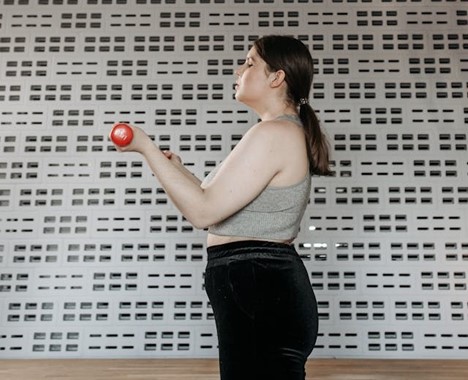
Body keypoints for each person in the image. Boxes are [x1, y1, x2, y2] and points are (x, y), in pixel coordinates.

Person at [112, 35, 331, 380]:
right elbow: (211, 201)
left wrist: (145, 147)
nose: (238, 70)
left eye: (249, 63)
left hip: (261, 288)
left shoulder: (273, 133)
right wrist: (177, 169)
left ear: (277, 77)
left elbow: (203, 212)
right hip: (259, 288)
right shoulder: (275, 132)